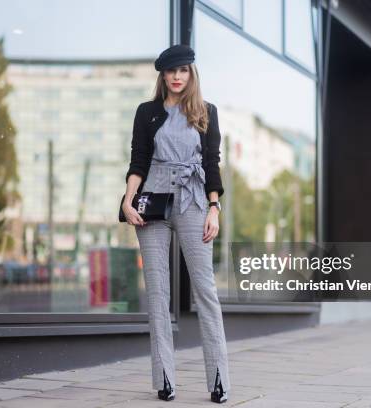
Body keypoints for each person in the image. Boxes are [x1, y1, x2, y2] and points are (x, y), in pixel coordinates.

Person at [122, 44, 230, 404]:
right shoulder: (147, 112)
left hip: (194, 199)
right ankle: (164, 380)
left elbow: (212, 164)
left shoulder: (206, 112)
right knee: (157, 293)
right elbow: (138, 160)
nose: (177, 77)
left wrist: (214, 208)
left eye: (183, 70)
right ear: (163, 76)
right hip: (152, 199)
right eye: (171, 72)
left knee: (205, 291)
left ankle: (218, 380)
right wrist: (127, 198)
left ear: (191, 73)